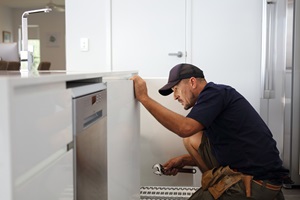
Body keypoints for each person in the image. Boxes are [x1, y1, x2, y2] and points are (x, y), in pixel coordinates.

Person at [131, 63, 292, 200]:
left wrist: (144, 98)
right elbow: (226, 147)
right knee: (192, 138)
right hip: (257, 174)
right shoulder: (214, 98)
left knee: (190, 133)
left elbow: (184, 128)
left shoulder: (214, 93)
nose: (175, 96)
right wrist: (185, 161)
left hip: (258, 182)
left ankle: (225, 190)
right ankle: (217, 183)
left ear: (192, 82)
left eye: (176, 89)